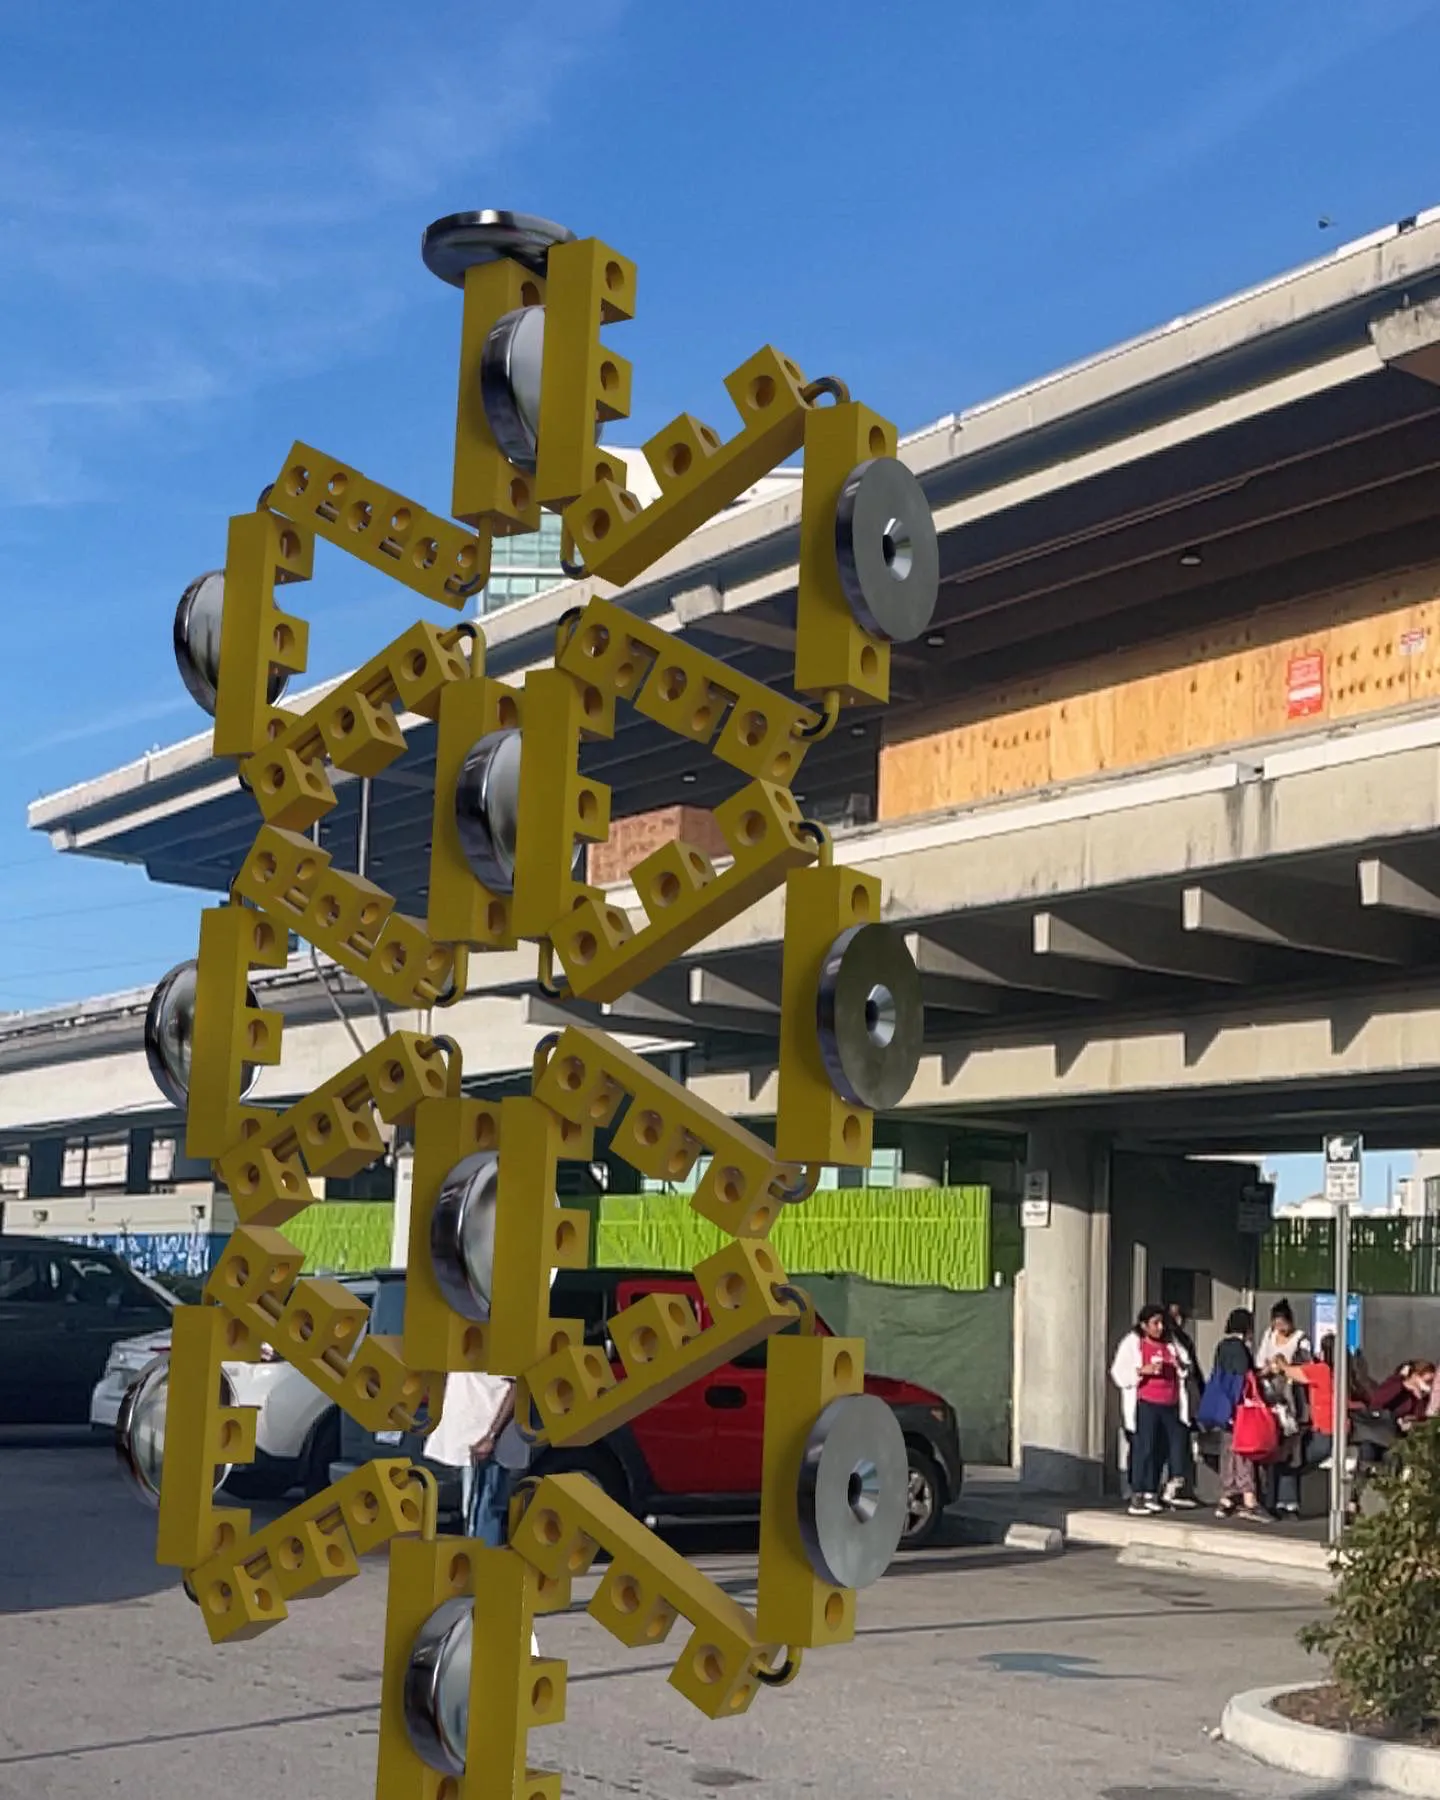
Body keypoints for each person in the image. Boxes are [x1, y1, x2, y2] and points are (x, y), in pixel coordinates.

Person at [1110, 1304, 1194, 1516]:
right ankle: (1138, 1493)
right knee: (1144, 1448)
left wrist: (1180, 1366)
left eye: (1162, 1323)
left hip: (1171, 1404)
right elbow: (1118, 1373)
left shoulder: (1170, 1343)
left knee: (1164, 1447)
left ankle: (1152, 1491)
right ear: (1144, 1325)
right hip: (1146, 1402)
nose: (1160, 1327)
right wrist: (1142, 1371)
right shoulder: (1132, 1343)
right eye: (1155, 1323)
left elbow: (1186, 1366)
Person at [425, 1368, 517, 1547]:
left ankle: (482, 1563)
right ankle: (475, 1561)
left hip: (486, 1439)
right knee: (470, 1510)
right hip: (464, 1437)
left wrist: (491, 1436)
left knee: (485, 1509)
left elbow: (516, 1388)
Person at [1203, 1308, 1271, 1524]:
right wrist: (1265, 1372)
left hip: (1223, 1409)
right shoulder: (1240, 1348)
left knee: (1228, 1450)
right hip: (1239, 1409)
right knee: (1243, 1451)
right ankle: (1249, 1500)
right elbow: (1246, 1377)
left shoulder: (1222, 1346)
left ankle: (1227, 1496)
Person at [1273, 1334, 1338, 1517]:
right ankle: (1290, 1502)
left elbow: (1289, 1371)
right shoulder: (1345, 1372)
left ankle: (1287, 1504)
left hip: (1324, 1433)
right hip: (1340, 1432)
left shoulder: (1321, 1370)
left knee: (1291, 1460)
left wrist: (1279, 1359)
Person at [1256, 1299, 1311, 1372]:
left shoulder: (1301, 1339)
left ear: (1290, 1321)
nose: (1280, 1329)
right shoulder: (1269, 1334)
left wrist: (1284, 1366)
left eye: (1283, 1324)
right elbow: (1260, 1361)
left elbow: (1306, 1365)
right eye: (1277, 1325)